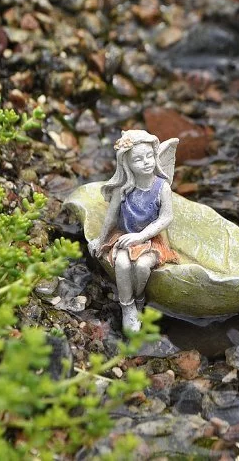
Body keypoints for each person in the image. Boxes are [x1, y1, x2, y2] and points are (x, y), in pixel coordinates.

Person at [89, 130, 179, 332]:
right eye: (138, 159)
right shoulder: (122, 189)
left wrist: (140, 236)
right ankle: (127, 307)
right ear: (126, 164)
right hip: (123, 236)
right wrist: (100, 240)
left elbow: (166, 217)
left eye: (150, 156)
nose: (146, 162)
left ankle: (139, 299)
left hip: (149, 238)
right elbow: (111, 218)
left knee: (142, 266)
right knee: (121, 263)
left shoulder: (162, 187)